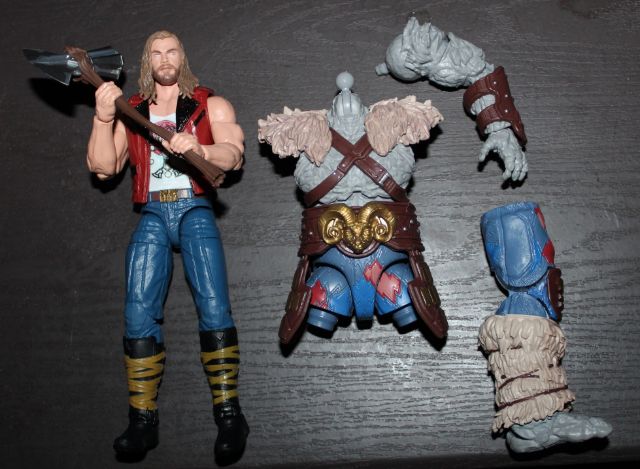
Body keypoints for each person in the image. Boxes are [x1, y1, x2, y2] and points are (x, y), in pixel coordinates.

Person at [87, 30, 248, 462]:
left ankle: (229, 415)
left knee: (214, 307)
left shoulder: (210, 104)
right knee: (137, 309)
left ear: (182, 56)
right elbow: (103, 168)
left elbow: (234, 155)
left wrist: (201, 148)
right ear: (146, 61)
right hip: (154, 213)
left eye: (171, 50)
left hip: (194, 208)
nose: (164, 58)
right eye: (156, 52)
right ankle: (142, 419)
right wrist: (103, 117)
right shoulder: (132, 111)